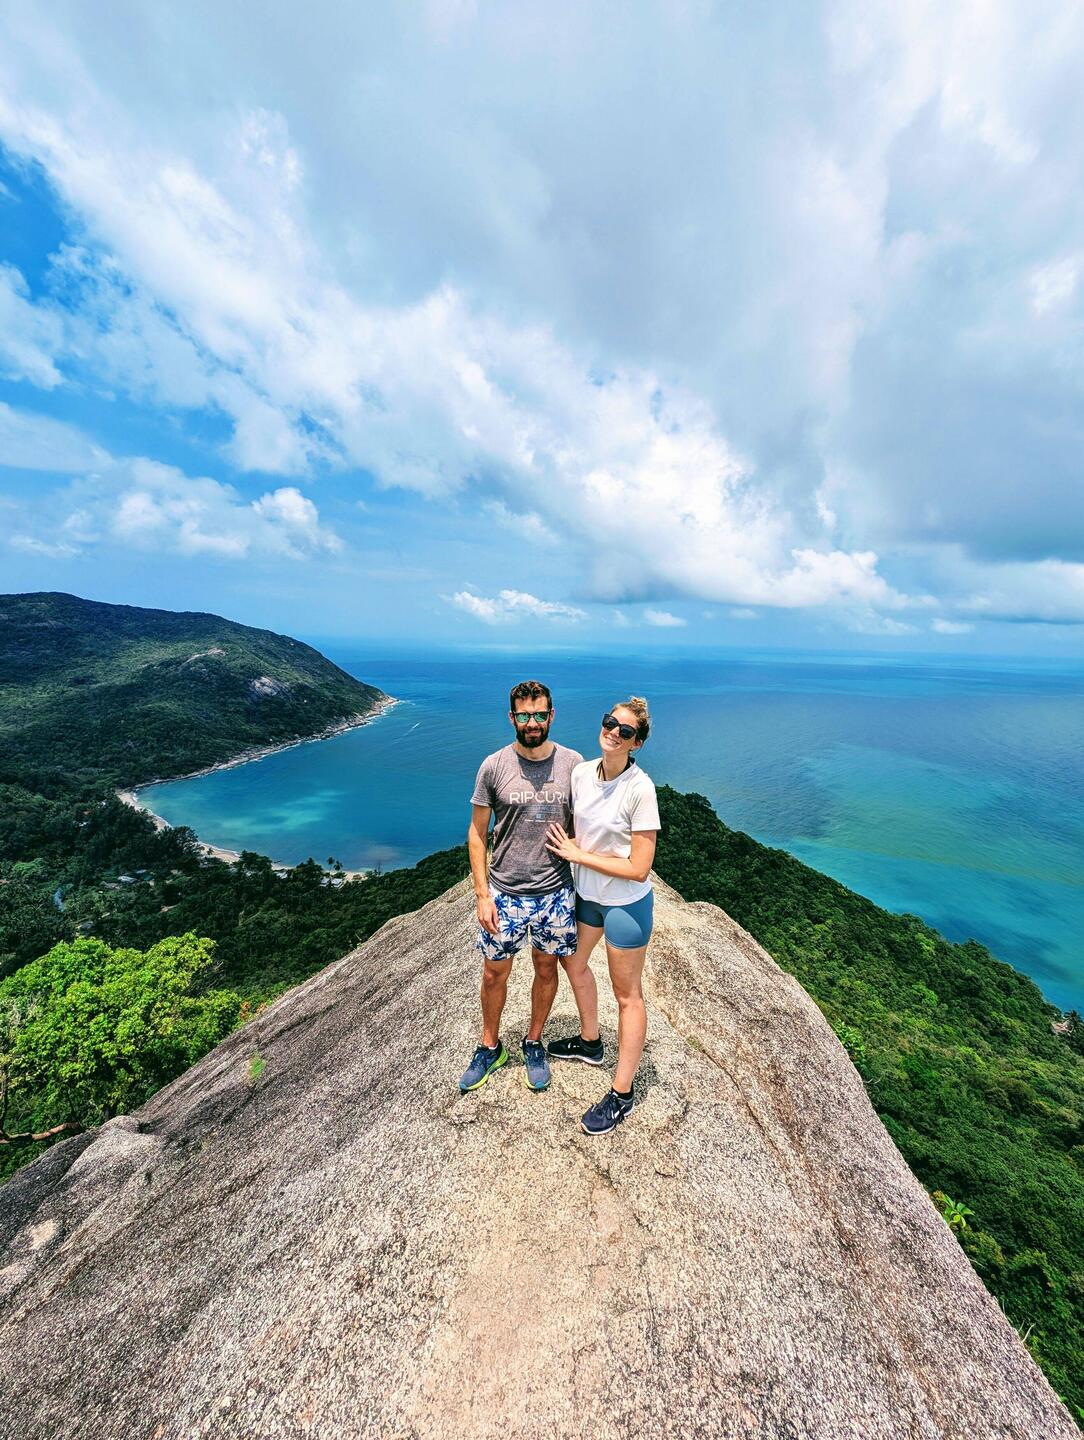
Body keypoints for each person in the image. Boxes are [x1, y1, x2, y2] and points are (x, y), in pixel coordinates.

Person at [459, 680, 583, 1094]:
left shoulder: (573, 764)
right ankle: (490, 1046)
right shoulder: (493, 766)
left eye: (540, 714)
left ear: (551, 715)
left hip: (555, 891)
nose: (533, 723)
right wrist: (482, 895)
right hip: (505, 892)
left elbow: (587, 824)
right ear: (512, 717)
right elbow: (477, 833)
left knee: (546, 968)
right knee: (494, 973)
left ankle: (534, 1041)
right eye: (525, 715)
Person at [544, 697, 660, 1135]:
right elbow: (581, 829)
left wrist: (579, 855)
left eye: (625, 731)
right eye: (611, 722)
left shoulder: (640, 789)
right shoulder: (581, 773)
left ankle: (622, 1092)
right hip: (588, 895)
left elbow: (639, 867)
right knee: (573, 962)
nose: (614, 732)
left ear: (637, 743)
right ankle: (591, 1042)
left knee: (627, 995)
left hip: (626, 903)